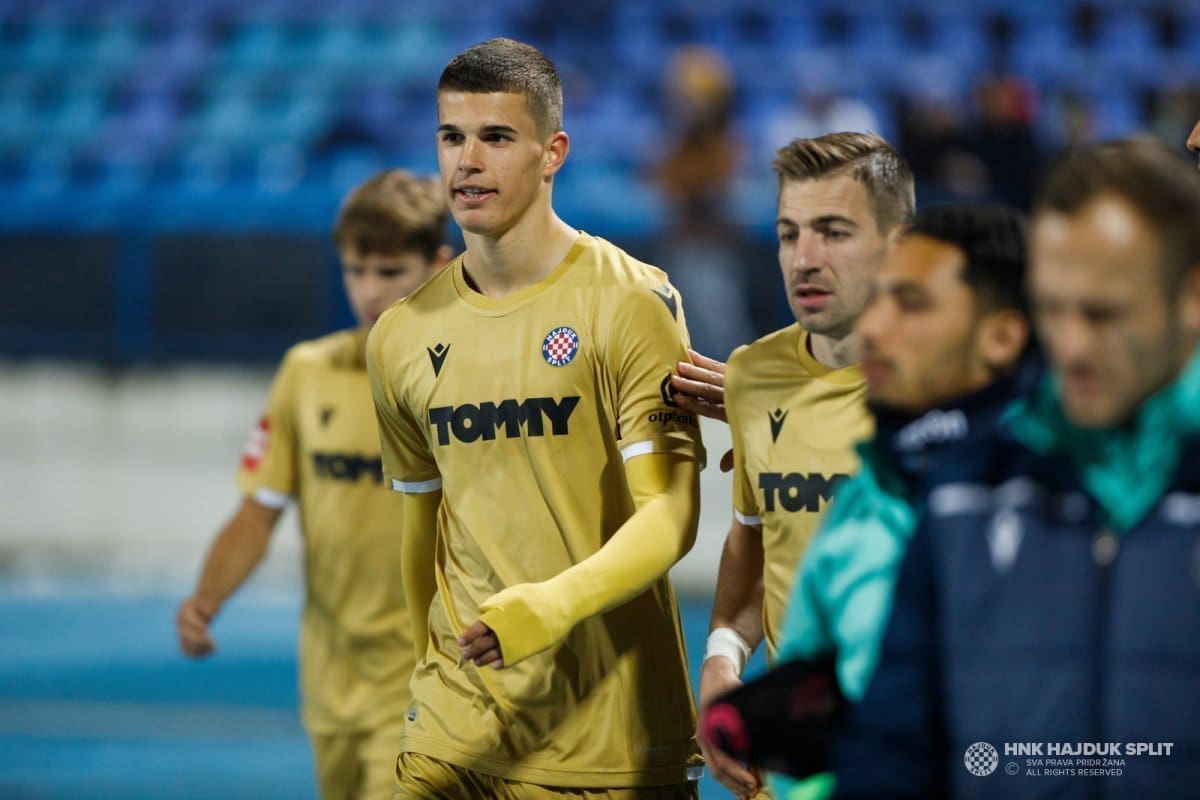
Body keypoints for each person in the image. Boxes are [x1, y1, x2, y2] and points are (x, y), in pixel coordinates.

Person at [365, 38, 706, 799]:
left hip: (605, 739)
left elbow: (670, 515)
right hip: (453, 733)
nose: (467, 162)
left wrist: (553, 605)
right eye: (451, 137)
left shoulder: (630, 301)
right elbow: (420, 526)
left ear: (552, 153)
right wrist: (426, 664)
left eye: (496, 137)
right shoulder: (401, 335)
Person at [835, 139, 1200, 798]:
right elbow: (893, 753)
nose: (1072, 346)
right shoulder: (964, 491)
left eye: (1103, 313)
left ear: (1190, 297)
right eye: (1052, 310)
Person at [175, 169, 452, 800]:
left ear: (438, 265)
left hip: (429, 681)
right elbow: (259, 511)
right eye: (356, 270)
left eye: (389, 271)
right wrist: (206, 599)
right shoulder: (307, 372)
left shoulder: (465, 383)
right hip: (330, 683)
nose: (369, 290)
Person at [760, 203, 1034, 798]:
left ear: (1002, 336)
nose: (874, 328)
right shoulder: (864, 494)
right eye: (877, 299)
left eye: (910, 304)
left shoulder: (1068, 501)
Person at [690, 132, 915, 799]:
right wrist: (722, 657)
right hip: (791, 774)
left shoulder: (952, 388)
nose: (804, 259)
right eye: (789, 234)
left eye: (834, 233)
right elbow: (755, 542)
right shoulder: (752, 375)